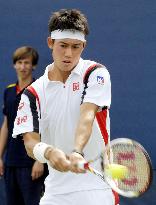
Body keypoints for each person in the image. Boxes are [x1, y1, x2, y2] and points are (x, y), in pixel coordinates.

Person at [12, 9, 119, 205]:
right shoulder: (32, 93)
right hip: (55, 192)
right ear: (50, 43)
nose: (69, 54)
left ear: (83, 46)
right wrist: (49, 152)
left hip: (97, 188)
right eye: (63, 45)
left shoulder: (95, 73)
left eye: (76, 47)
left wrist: (77, 151)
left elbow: (86, 116)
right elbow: (30, 142)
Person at [0, 46, 47, 205]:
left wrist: (40, 160)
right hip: (11, 162)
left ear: (33, 66)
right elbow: (6, 125)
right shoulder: (9, 92)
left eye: (27, 63)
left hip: (31, 163)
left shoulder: (40, 91)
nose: (23, 67)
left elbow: (46, 126)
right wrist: (0, 157)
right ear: (14, 65)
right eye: (19, 62)